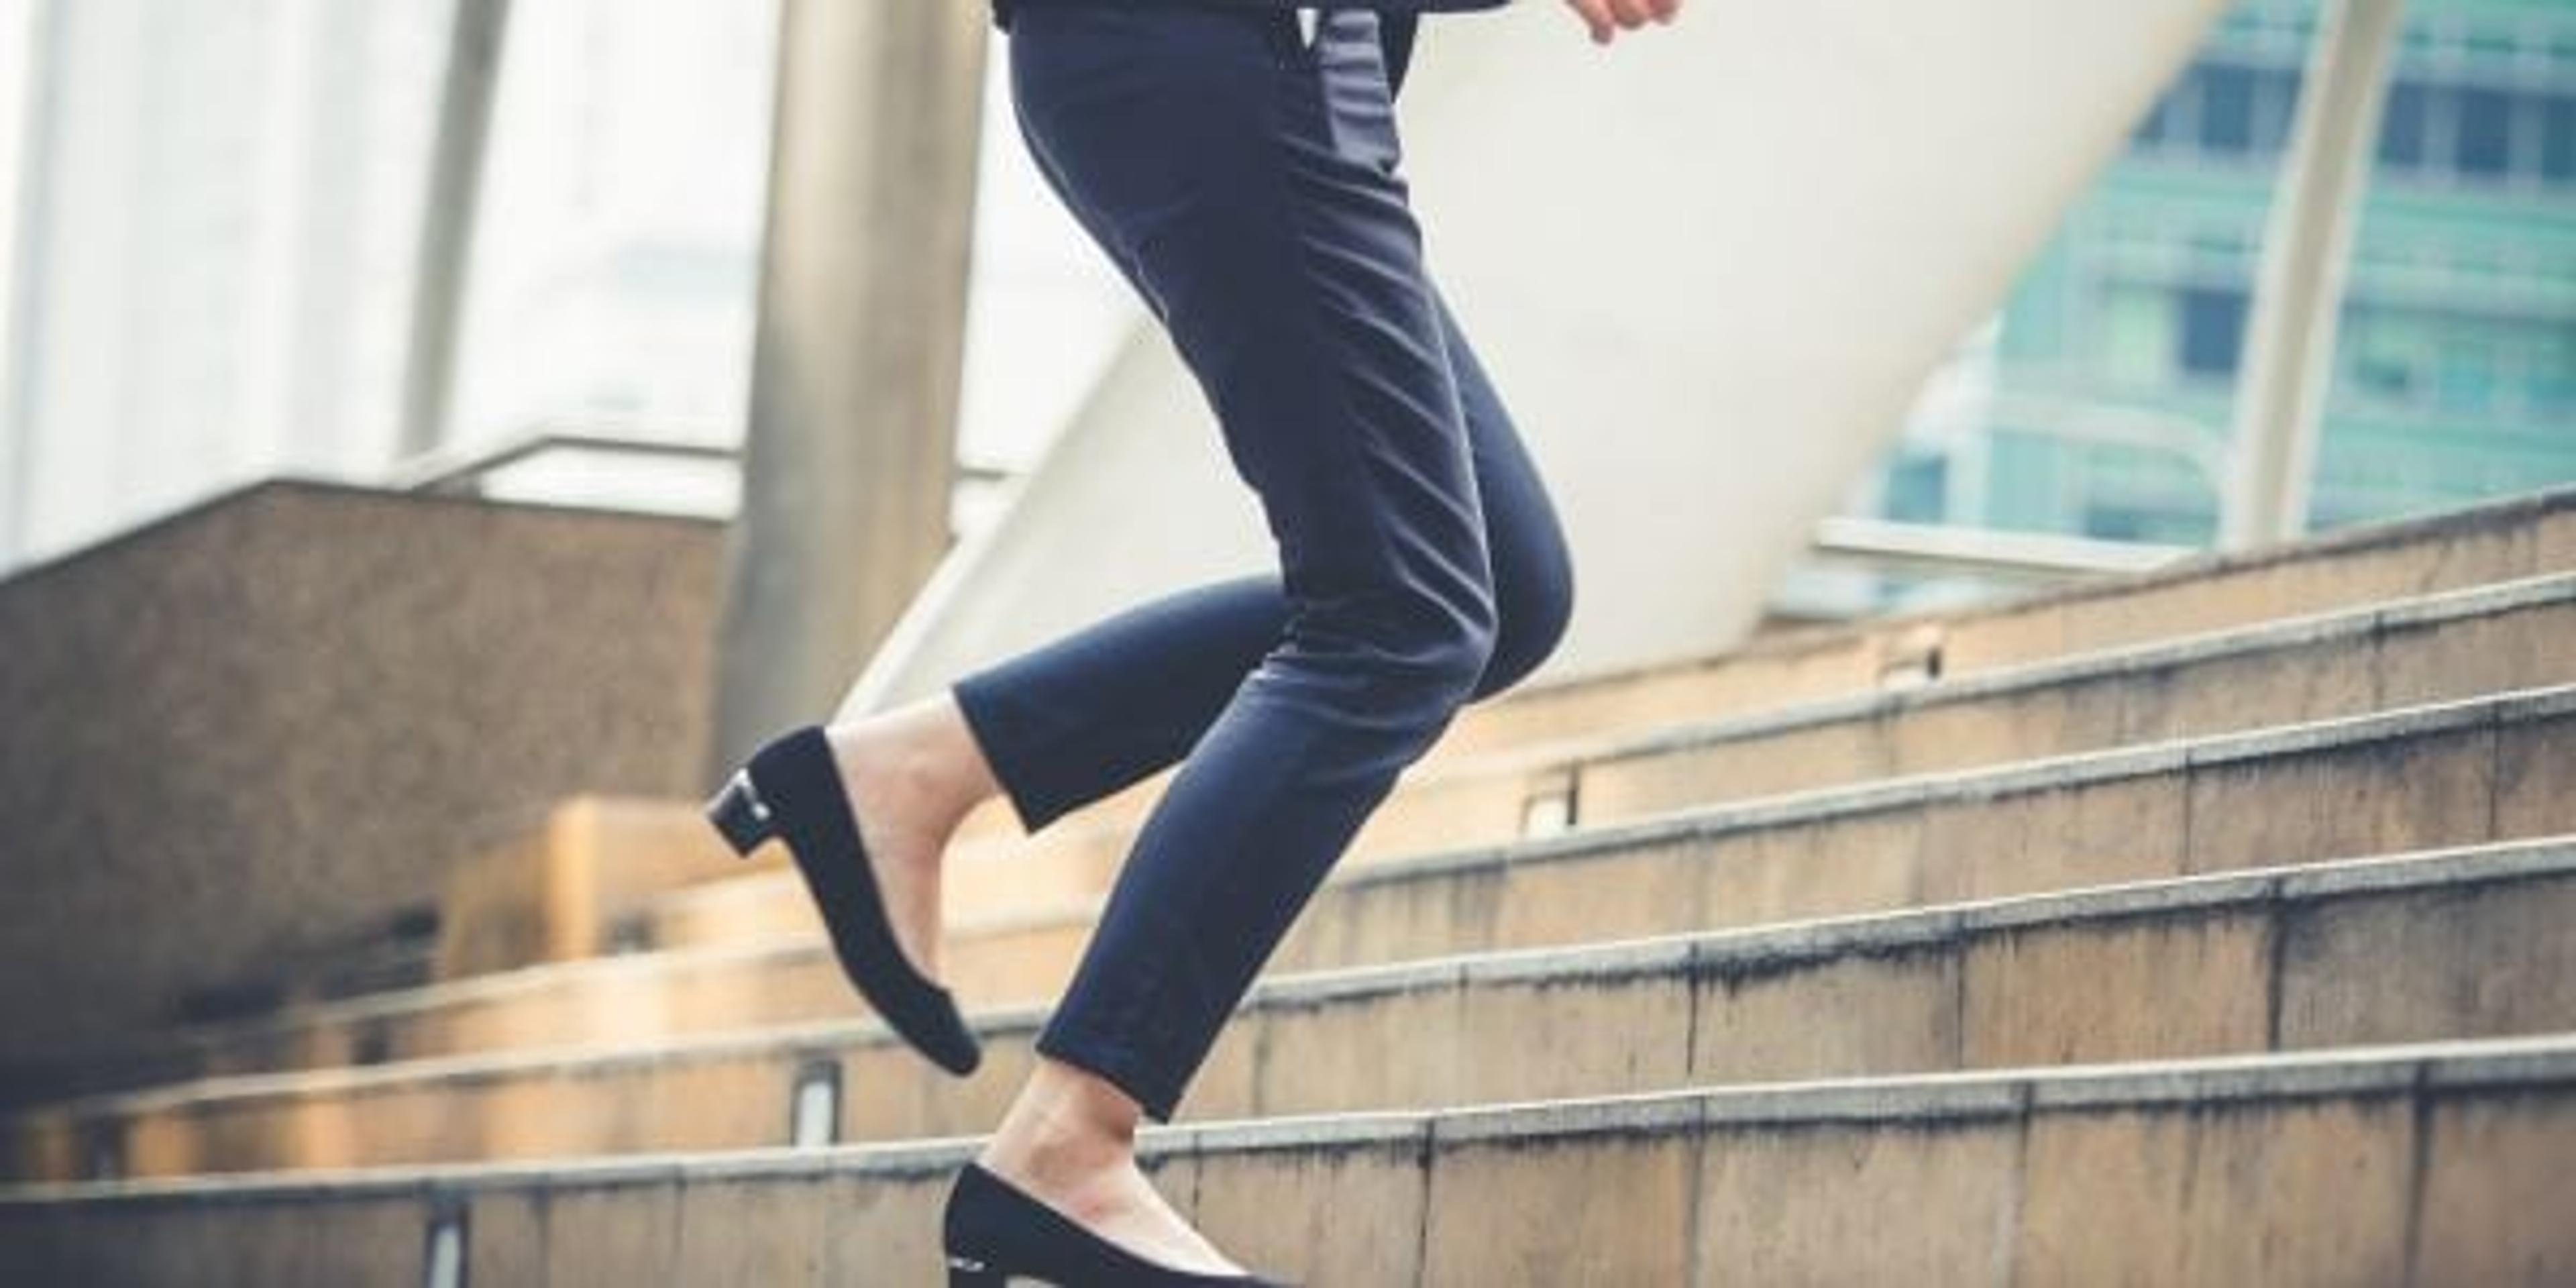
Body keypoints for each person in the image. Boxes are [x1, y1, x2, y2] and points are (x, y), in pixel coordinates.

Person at [706, 0, 1682, 1281]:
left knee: (1492, 584)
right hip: (1227, 52)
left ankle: (916, 771)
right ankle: (1069, 1139)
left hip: (1244, 67)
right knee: (1399, 615)